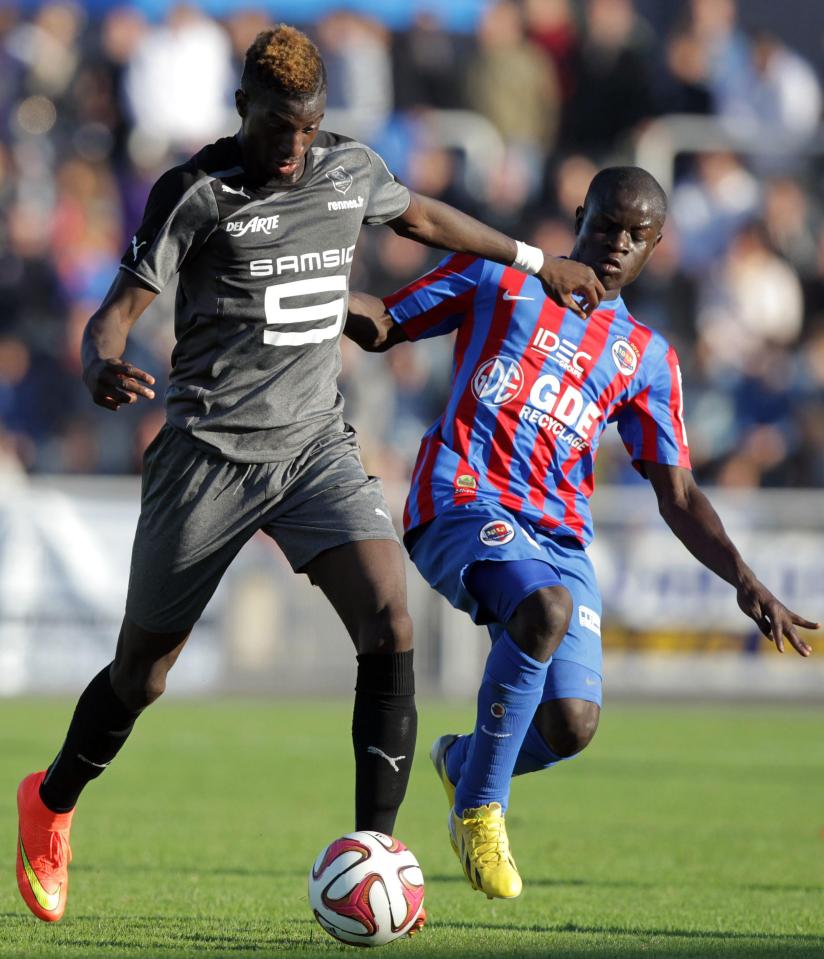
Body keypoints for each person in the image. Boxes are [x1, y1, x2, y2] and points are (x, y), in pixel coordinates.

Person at [14, 24, 605, 925]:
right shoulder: (196, 191)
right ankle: (50, 800)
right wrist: (103, 361)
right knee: (143, 675)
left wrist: (534, 260)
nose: (294, 147)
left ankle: (379, 849)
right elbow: (118, 308)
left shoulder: (348, 168)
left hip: (314, 448)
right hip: (209, 457)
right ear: (243, 107)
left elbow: (423, 216)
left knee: (389, 619)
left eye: (309, 127)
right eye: (279, 126)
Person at [344, 166, 818, 900]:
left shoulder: (648, 357)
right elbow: (382, 324)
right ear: (579, 214)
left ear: (656, 246)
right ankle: (478, 809)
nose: (617, 245)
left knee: (572, 722)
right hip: (462, 497)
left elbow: (678, 493)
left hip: (559, 535)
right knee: (543, 609)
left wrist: (745, 580)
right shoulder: (499, 277)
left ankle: (465, 761)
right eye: (606, 226)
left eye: (637, 236)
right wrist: (307, 294)